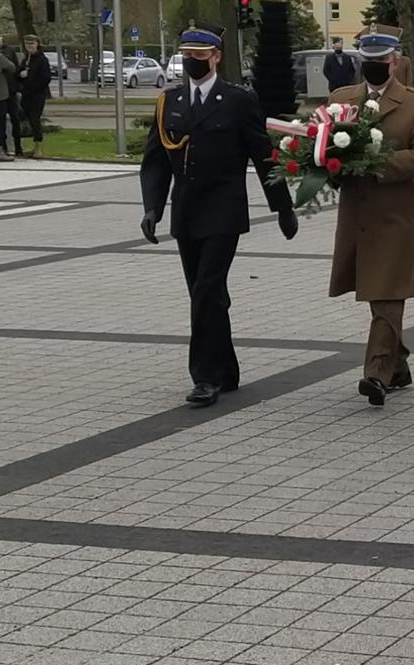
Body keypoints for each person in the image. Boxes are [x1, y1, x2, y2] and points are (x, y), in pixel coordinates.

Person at [138, 25, 298, 408]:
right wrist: (152, 208)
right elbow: (156, 161)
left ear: (216, 57)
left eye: (200, 55)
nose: (192, 61)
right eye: (187, 55)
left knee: (207, 290)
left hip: (224, 210)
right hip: (187, 211)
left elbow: (263, 155)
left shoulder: (238, 100)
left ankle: (204, 377)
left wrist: (283, 207)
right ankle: (226, 368)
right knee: (206, 293)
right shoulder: (170, 102)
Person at [327, 25, 414, 407]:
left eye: (381, 61)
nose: (374, 67)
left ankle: (375, 375)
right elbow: (325, 146)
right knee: (378, 293)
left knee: (387, 294)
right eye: (368, 61)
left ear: (395, 62)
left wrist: (377, 162)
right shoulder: (342, 98)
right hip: (358, 215)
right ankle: (398, 364)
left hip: (395, 216)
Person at [19, 35, 53, 158]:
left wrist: (34, 85)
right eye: (27, 45)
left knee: (35, 119)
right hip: (26, 94)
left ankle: (38, 147)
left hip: (37, 94)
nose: (30, 47)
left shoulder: (42, 59)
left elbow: (46, 78)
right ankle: (27, 146)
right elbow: (19, 74)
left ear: (37, 44)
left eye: (32, 44)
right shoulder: (26, 59)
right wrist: (21, 76)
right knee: (25, 118)